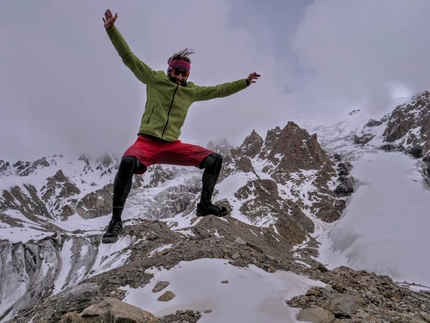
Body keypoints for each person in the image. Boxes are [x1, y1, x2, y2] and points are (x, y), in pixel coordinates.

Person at [101, 9, 261, 243]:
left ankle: (204, 206)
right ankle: (115, 221)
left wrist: (244, 82)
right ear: (169, 70)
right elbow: (130, 59)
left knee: (214, 159)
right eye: (176, 71)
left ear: (187, 75)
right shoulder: (154, 79)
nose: (179, 76)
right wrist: (111, 30)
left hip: (172, 146)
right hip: (146, 143)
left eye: (184, 73)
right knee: (126, 163)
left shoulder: (192, 92)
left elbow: (218, 90)